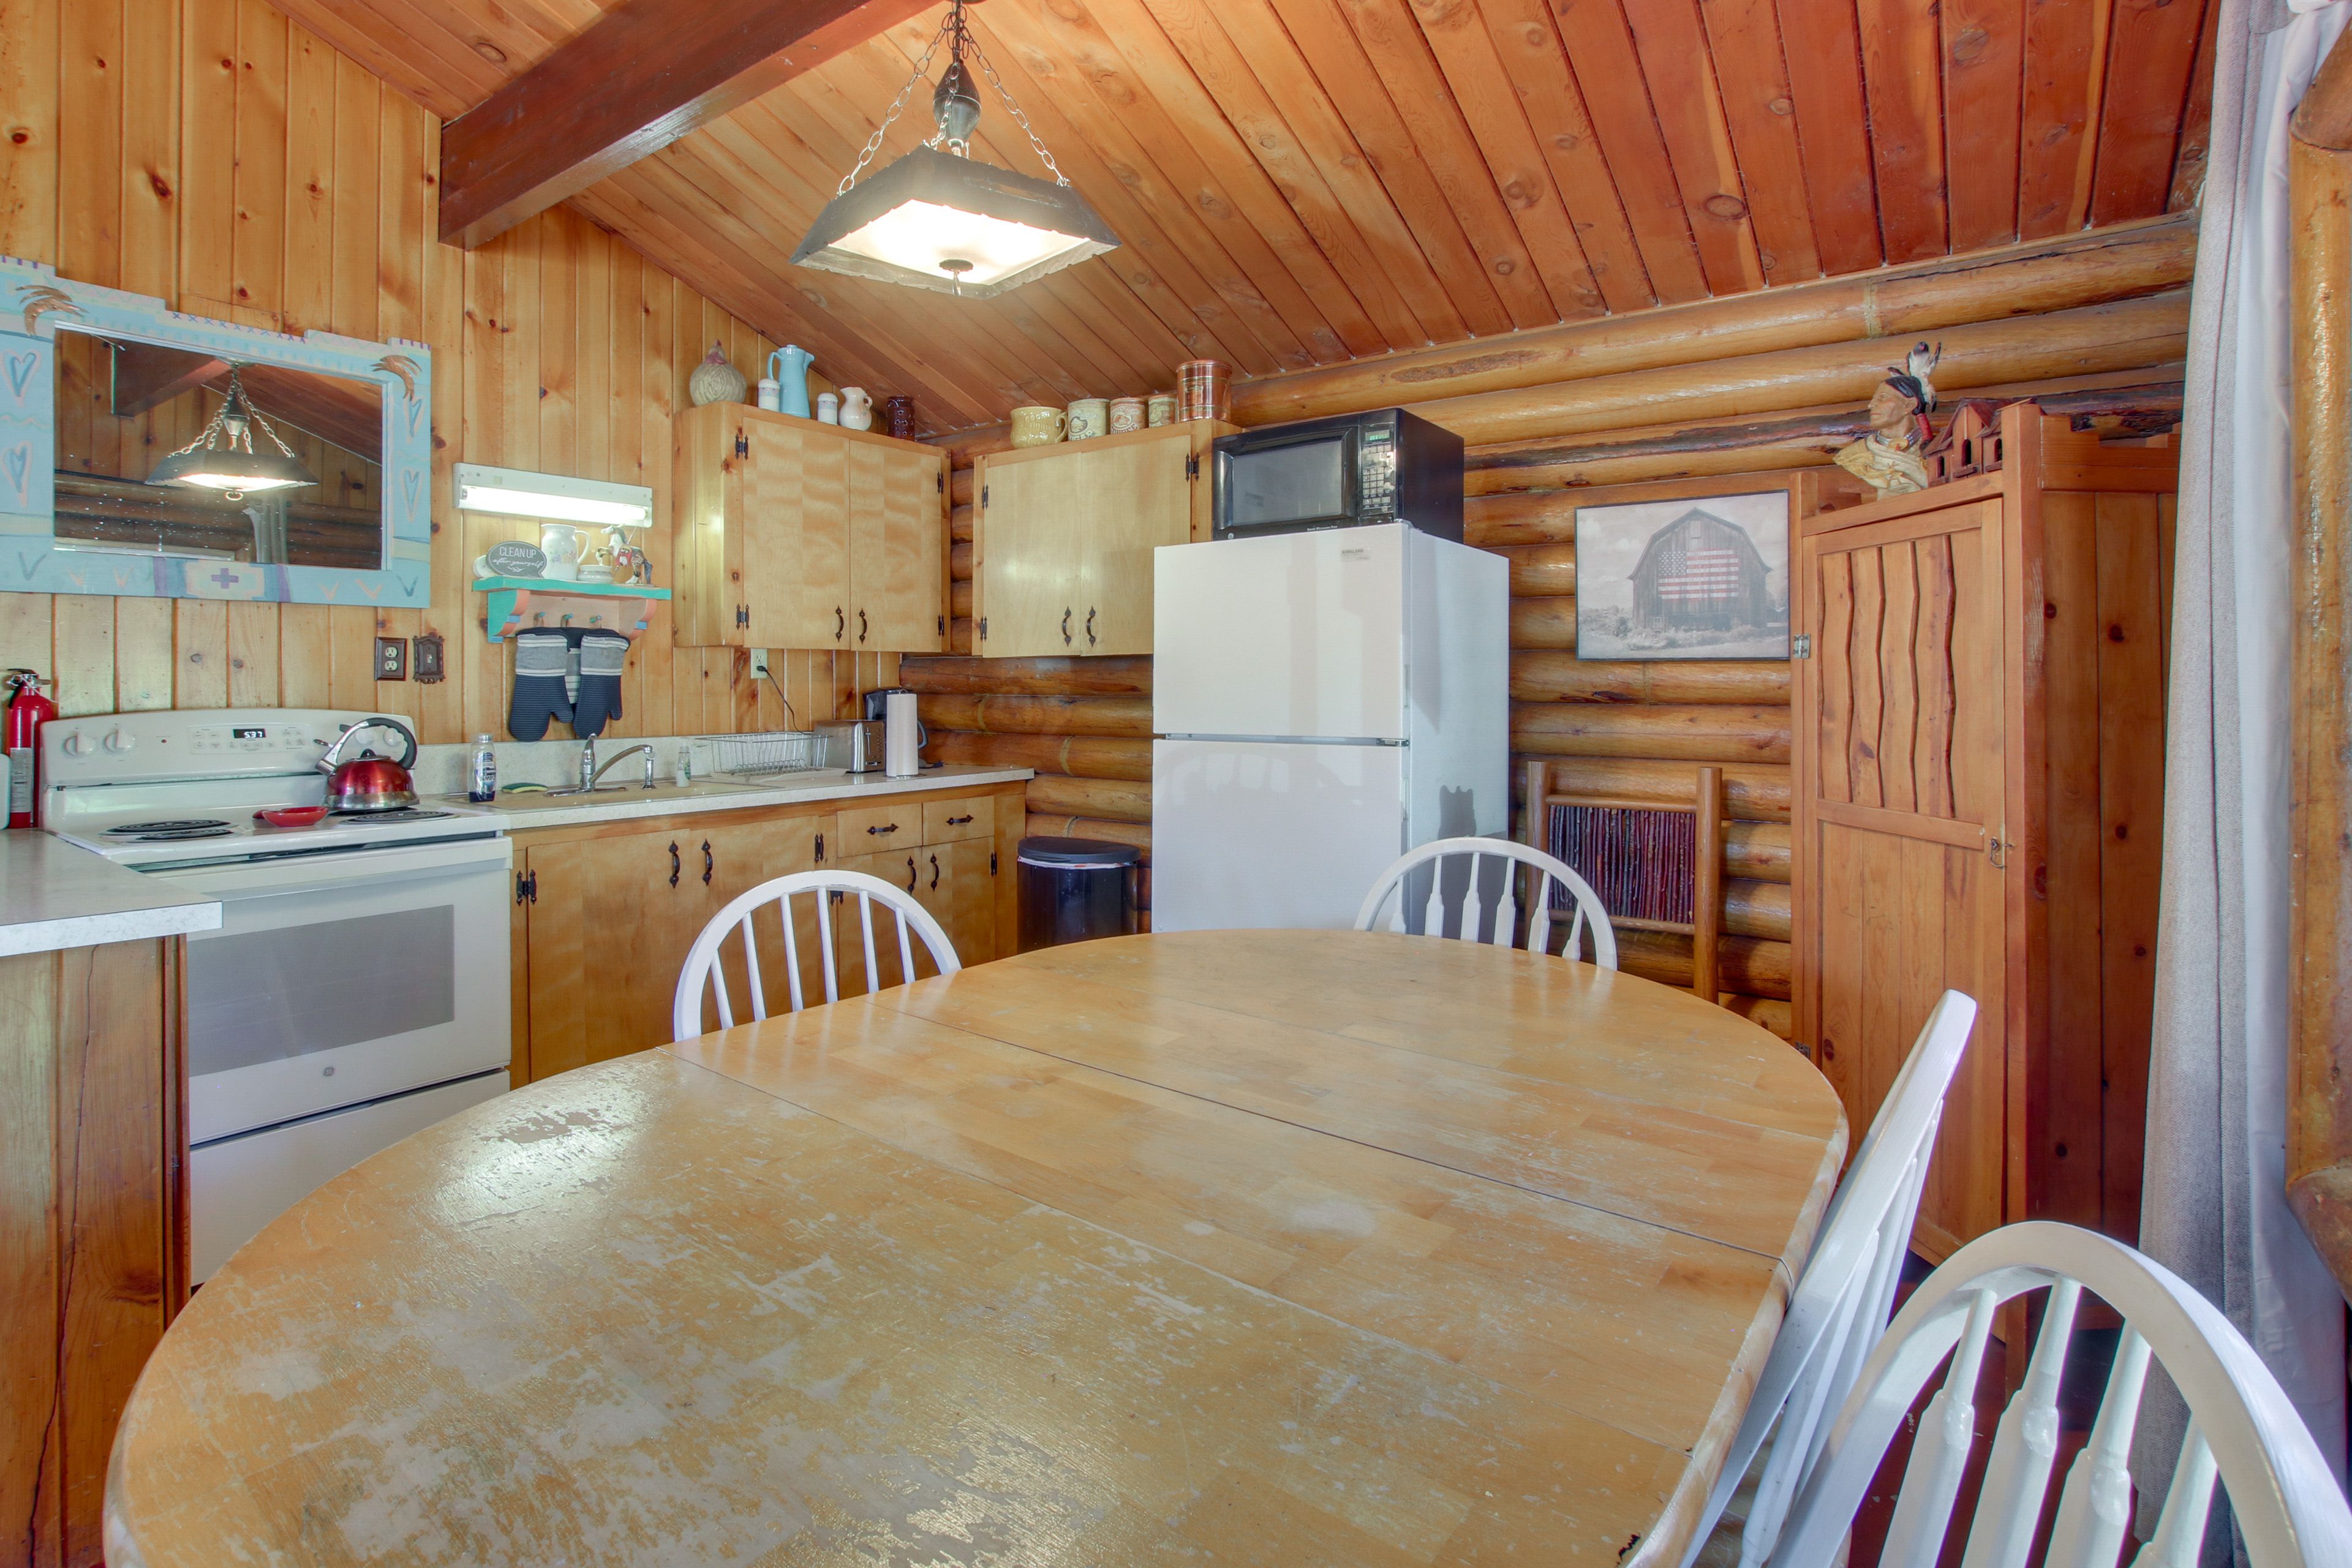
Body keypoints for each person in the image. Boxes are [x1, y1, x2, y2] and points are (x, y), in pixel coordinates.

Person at [1834, 342, 1941, 496]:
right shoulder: (1855, 455)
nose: (1871, 405)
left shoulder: (1935, 453)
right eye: (1874, 399)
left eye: (1882, 398)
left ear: (1909, 405)